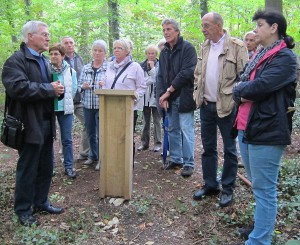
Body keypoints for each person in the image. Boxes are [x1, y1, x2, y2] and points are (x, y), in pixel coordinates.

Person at [233, 10, 297, 244]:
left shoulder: (285, 58)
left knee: (265, 189)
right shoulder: (260, 54)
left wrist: (240, 90)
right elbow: (243, 81)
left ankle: (259, 240)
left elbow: (259, 87)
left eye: (260, 25)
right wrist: (242, 89)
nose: (256, 29)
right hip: (247, 128)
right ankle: (258, 228)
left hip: (267, 131)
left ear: (274, 28)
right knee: (258, 186)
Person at [1, 20, 64, 226]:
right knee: (28, 168)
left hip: (46, 122)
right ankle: (22, 210)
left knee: (46, 166)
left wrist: (58, 92)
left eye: (48, 34)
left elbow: (49, 88)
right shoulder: (15, 61)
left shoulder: (45, 61)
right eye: (44, 34)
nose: (48, 37)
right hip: (28, 124)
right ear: (30, 37)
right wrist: (49, 89)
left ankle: (40, 202)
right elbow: (18, 88)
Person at [193, 12, 248, 207]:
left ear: (218, 26)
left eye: (206, 25)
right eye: (202, 25)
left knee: (230, 150)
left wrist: (236, 101)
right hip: (206, 106)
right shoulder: (204, 46)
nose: (203, 29)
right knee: (208, 148)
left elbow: (244, 77)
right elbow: (198, 74)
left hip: (227, 107)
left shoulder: (237, 46)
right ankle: (210, 185)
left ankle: (227, 188)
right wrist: (196, 94)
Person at [156, 19, 197, 178]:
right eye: (164, 30)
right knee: (172, 128)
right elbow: (161, 76)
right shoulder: (164, 51)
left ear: (177, 31)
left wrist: (169, 91)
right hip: (170, 97)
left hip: (185, 96)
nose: (166, 32)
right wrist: (163, 95)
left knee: (186, 129)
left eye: (169, 29)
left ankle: (188, 163)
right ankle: (176, 159)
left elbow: (187, 72)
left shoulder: (188, 48)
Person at [102, 38, 146, 156]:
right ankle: (112, 165)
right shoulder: (108, 66)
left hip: (128, 109)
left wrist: (134, 99)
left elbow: (141, 87)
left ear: (127, 51)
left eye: (119, 48)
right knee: (111, 137)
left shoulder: (135, 67)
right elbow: (106, 84)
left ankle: (127, 169)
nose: (116, 50)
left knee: (126, 138)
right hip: (110, 108)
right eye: (114, 48)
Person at [78, 40, 108, 171]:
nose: (97, 53)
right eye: (95, 50)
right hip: (87, 105)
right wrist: (83, 87)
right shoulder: (86, 68)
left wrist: (104, 85)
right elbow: (78, 86)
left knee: (101, 133)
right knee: (90, 132)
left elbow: (113, 86)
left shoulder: (109, 68)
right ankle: (92, 155)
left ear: (105, 53)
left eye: (100, 51)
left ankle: (102, 159)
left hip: (102, 104)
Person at [49, 43, 77, 178]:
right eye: (51, 54)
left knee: (67, 139)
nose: (53, 56)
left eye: (56, 54)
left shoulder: (71, 71)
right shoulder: (45, 70)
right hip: (48, 109)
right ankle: (50, 167)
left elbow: (74, 89)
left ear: (63, 56)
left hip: (66, 109)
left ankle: (69, 167)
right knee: (48, 138)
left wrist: (65, 101)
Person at [61, 36, 90, 161]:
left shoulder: (79, 58)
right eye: (66, 43)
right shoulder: (59, 59)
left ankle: (84, 152)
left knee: (87, 124)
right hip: (64, 100)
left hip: (79, 99)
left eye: (71, 42)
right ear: (62, 45)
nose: (69, 45)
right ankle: (64, 155)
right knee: (65, 129)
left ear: (74, 44)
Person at [137, 45, 162, 152]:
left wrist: (152, 69)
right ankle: (144, 143)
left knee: (157, 121)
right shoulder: (141, 66)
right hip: (145, 98)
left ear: (156, 54)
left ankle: (158, 143)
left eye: (153, 53)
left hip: (156, 97)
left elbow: (156, 79)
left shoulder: (160, 65)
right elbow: (141, 81)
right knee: (145, 122)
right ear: (146, 54)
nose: (151, 55)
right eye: (149, 53)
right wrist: (149, 79)